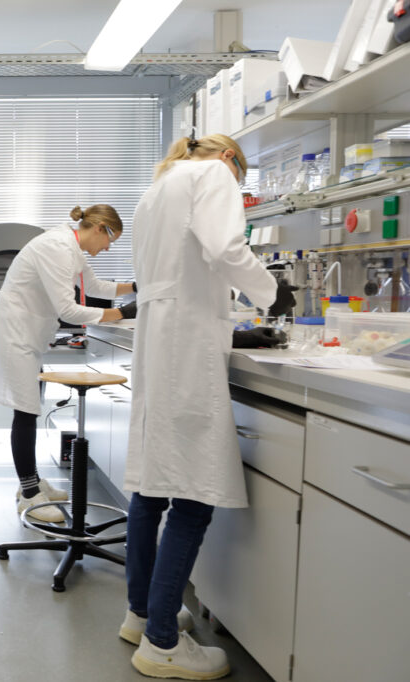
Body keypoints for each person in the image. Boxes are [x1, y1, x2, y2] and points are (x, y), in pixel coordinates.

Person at [122, 134, 295, 680]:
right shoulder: (214, 175)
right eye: (241, 178)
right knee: (194, 493)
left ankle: (141, 613)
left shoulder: (158, 187)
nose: (237, 187)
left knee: (152, 486)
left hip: (160, 337)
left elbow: (191, 265)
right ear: (228, 159)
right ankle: (162, 643)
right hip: (186, 342)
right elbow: (225, 249)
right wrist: (271, 292)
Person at [0, 205, 138, 522]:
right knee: (26, 412)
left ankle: (33, 483)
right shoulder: (58, 248)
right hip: (16, 336)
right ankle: (29, 494)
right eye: (110, 241)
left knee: (29, 408)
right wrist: (122, 312)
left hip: (27, 337)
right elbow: (69, 310)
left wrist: (136, 287)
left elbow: (94, 287)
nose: (108, 248)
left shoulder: (71, 247)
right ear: (99, 228)